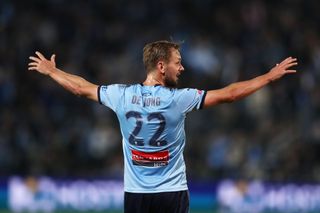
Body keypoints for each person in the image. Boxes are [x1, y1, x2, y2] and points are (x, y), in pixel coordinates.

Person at [28, 40, 298, 213]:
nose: (181, 68)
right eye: (177, 62)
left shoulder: (120, 95)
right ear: (161, 66)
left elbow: (80, 88)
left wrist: (53, 72)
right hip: (172, 193)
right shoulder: (179, 99)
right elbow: (230, 94)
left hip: (136, 194)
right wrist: (269, 77)